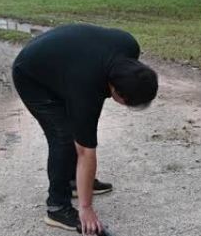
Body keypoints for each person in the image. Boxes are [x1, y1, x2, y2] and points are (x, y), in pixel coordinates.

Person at [12, 24, 158, 234]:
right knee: (63, 137)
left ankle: (74, 181)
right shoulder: (86, 89)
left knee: (75, 131)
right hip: (31, 76)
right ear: (116, 91)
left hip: (61, 63)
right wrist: (86, 208)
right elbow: (85, 152)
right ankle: (57, 207)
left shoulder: (129, 46)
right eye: (127, 103)